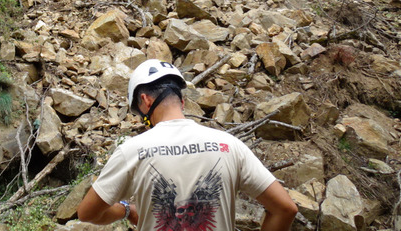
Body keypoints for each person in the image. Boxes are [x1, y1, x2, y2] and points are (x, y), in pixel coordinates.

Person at [77, 59, 298, 231]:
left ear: (145, 101)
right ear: (181, 101)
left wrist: (125, 210)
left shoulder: (133, 150)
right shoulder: (230, 145)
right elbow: (285, 209)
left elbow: (87, 213)